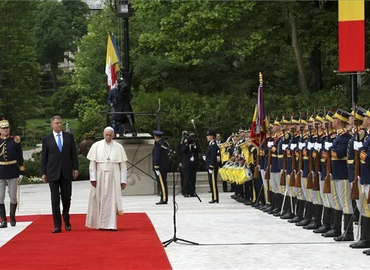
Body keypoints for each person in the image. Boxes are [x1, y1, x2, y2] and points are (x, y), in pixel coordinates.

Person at [41, 115, 79, 233]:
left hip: (66, 171)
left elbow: (73, 154)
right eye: (57, 123)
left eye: (60, 123)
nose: (59, 125)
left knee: (66, 197)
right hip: (52, 172)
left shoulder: (69, 137)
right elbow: (44, 157)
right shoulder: (46, 139)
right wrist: (43, 172)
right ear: (52, 125)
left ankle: (66, 219)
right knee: (55, 199)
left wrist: (75, 168)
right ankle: (57, 225)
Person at [85, 127, 128, 230]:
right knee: (98, 199)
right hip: (100, 176)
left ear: (113, 135)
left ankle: (111, 224)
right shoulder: (96, 145)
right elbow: (92, 164)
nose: (108, 137)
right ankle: (98, 224)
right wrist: (93, 178)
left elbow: (123, 166)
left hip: (114, 176)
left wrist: (123, 181)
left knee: (112, 200)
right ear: (103, 134)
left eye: (110, 135)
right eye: (106, 135)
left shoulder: (119, 147)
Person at [0, 119, 25, 228]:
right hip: (0, 171)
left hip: (13, 170)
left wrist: (21, 171)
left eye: (7, 128)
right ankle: (3, 220)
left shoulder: (15, 141)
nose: (6, 130)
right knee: (0, 197)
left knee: (13, 197)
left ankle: (12, 216)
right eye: (3, 128)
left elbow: (20, 156)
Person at [152, 130, 170, 205]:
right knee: (162, 183)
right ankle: (163, 197)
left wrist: (156, 167)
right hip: (163, 167)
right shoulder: (164, 143)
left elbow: (157, 156)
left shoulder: (158, 145)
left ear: (155, 137)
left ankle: (164, 198)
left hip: (160, 167)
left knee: (162, 183)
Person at [205, 130, 219, 203]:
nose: (207, 137)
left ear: (211, 136)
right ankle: (214, 197)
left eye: (208, 136)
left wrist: (211, 166)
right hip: (210, 165)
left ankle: (215, 198)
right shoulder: (211, 144)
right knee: (211, 182)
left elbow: (213, 156)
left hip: (212, 167)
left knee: (213, 182)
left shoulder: (213, 144)